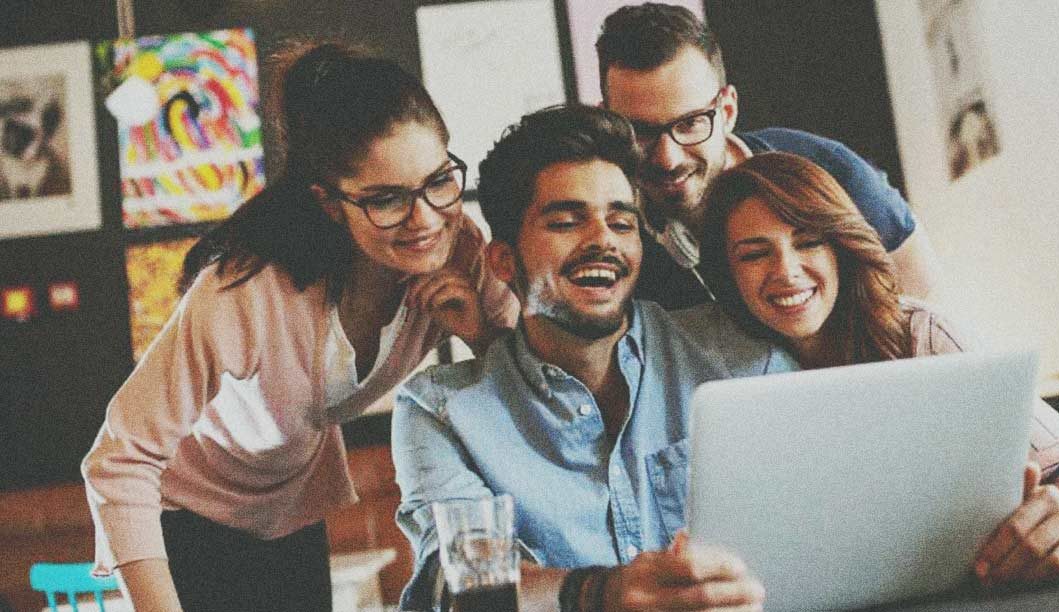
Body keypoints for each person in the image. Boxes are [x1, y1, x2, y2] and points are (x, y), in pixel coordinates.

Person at [81, 42, 518, 612]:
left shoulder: (462, 250)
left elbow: (536, 393)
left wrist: (481, 333)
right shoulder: (244, 293)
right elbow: (119, 459)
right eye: (387, 199)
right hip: (183, 516)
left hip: (289, 513)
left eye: (439, 181)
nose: (426, 219)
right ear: (330, 203)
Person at [392, 105, 770, 612]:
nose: (603, 241)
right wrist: (599, 593)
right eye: (567, 222)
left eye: (621, 222)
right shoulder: (440, 411)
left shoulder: (735, 356)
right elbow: (458, 588)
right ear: (503, 260)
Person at [697, 151, 1059, 585]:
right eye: (754, 254)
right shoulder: (720, 373)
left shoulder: (923, 334)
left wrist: (1038, 525)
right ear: (728, 273)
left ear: (841, 246)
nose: (786, 272)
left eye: (808, 242)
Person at [595, 2, 941, 309]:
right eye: (640, 132)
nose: (668, 158)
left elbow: (921, 300)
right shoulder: (606, 229)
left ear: (727, 110)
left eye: (690, 123)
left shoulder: (827, 169)